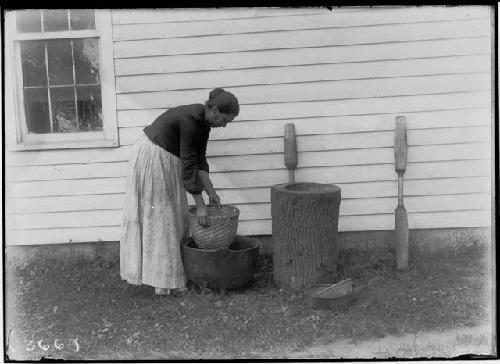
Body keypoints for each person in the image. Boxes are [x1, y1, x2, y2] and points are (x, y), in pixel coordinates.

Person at [120, 88, 240, 295]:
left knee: (172, 216)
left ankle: (167, 278)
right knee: (161, 217)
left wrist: (211, 191)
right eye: (225, 120)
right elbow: (189, 165)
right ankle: (162, 281)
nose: (224, 125)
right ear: (214, 110)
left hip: (165, 158)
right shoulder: (190, 120)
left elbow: (199, 159)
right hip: (153, 157)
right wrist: (200, 206)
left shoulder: (203, 124)